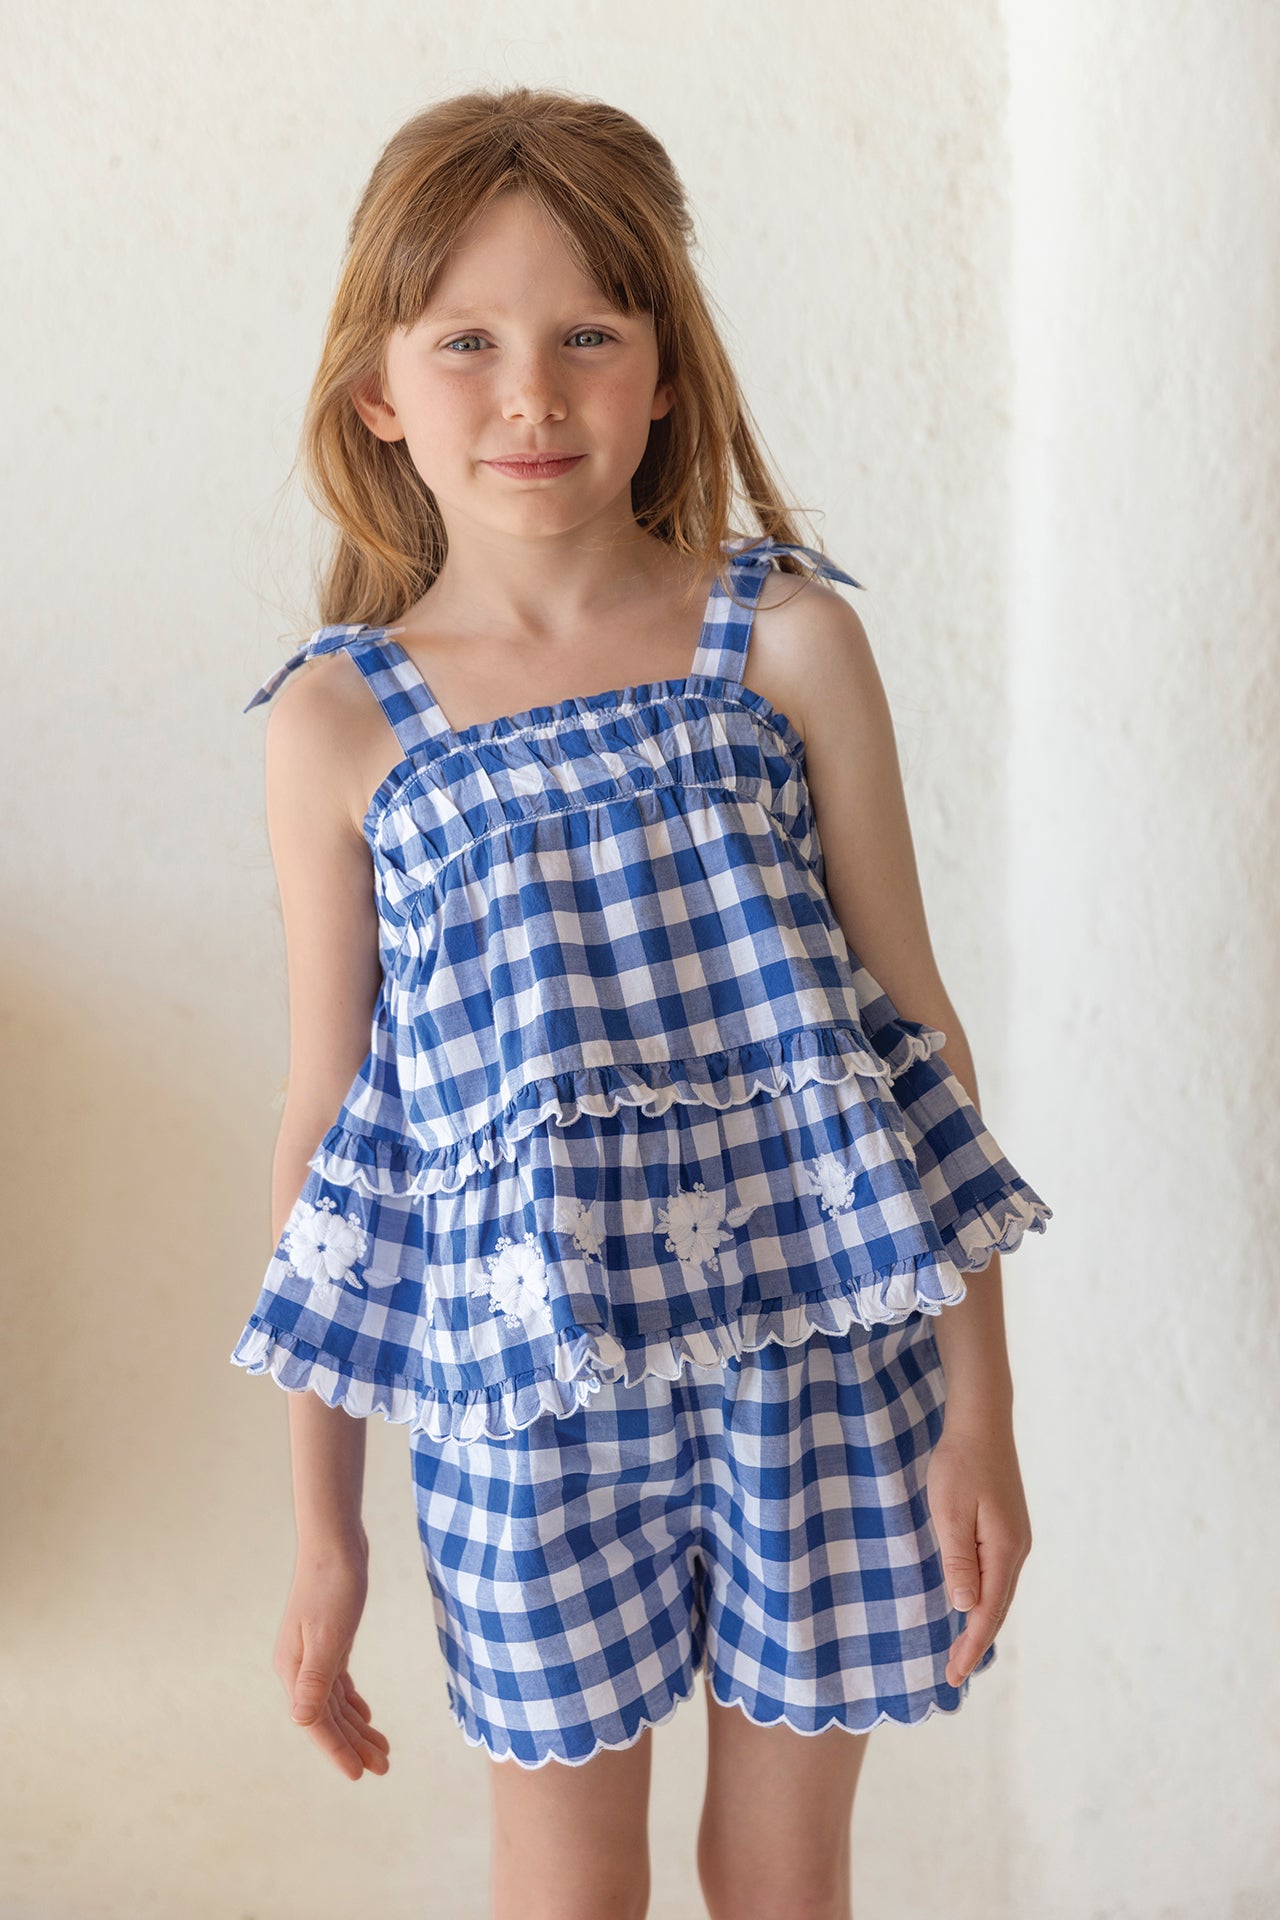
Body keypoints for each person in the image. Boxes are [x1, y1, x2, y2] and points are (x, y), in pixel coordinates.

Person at [230, 84, 1053, 1920]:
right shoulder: (340, 723)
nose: (531, 395)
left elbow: (913, 1038)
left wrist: (979, 1411)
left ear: (665, 370)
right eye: (467, 343)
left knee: (783, 1876)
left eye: (588, 336)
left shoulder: (789, 642)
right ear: (377, 392)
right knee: (568, 1887)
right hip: (520, 1406)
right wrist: (323, 1531)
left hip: (819, 1366)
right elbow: (330, 1128)